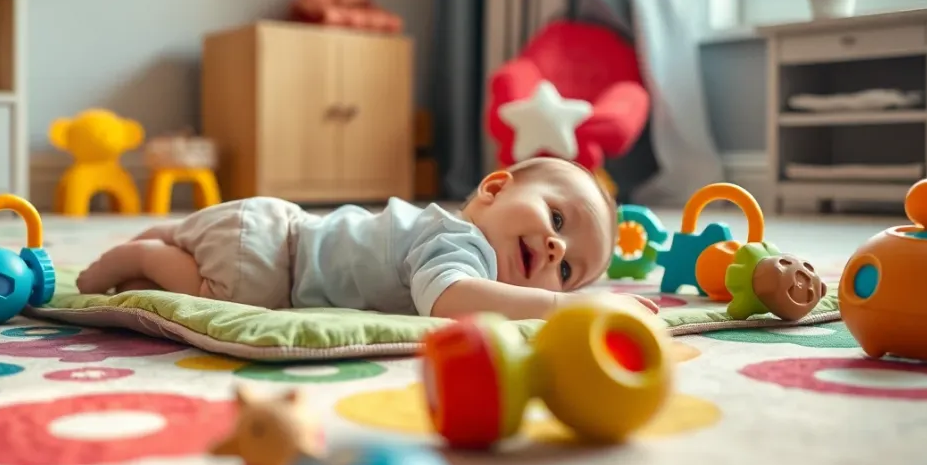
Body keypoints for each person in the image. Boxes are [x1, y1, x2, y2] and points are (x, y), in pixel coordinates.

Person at [76, 156, 657, 320]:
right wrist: (568, 303)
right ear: (495, 188)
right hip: (269, 263)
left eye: (567, 270)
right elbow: (452, 300)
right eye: (557, 221)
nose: (555, 251)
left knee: (191, 234)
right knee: (215, 295)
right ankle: (148, 257)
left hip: (273, 224)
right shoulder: (463, 246)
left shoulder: (454, 235)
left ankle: (161, 241)